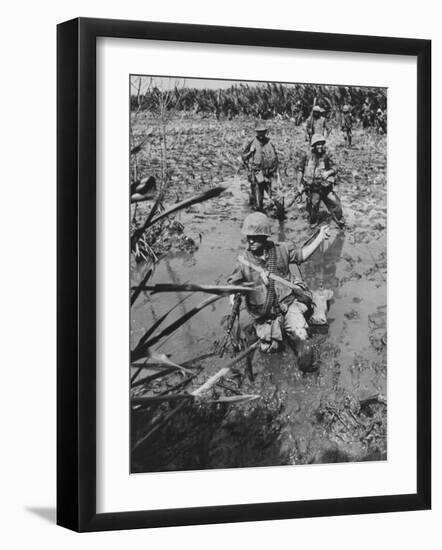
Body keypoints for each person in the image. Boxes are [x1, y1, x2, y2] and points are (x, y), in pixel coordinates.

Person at [227, 212, 330, 366]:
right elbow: (231, 287)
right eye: (249, 236)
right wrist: (233, 298)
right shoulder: (244, 261)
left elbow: (302, 255)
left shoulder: (281, 250)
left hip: (288, 305)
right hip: (265, 315)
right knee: (269, 349)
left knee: (302, 337)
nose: (251, 240)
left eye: (255, 237)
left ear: (265, 236)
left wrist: (320, 237)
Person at [296, 134, 345, 228]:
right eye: (317, 144)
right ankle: (313, 222)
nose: (320, 146)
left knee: (336, 204)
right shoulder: (306, 156)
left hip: (326, 187)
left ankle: (340, 220)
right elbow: (300, 171)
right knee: (314, 209)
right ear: (313, 145)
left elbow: (335, 167)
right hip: (313, 189)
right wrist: (299, 186)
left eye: (321, 144)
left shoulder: (327, 155)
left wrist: (328, 173)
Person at [242, 124, 280, 211]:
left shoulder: (270, 143)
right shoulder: (253, 142)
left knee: (276, 197)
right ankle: (256, 204)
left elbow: (276, 160)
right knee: (259, 204)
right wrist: (250, 152)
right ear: (257, 133)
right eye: (259, 132)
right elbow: (243, 157)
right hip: (257, 174)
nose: (261, 135)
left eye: (263, 132)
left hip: (269, 174)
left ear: (265, 132)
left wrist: (277, 175)